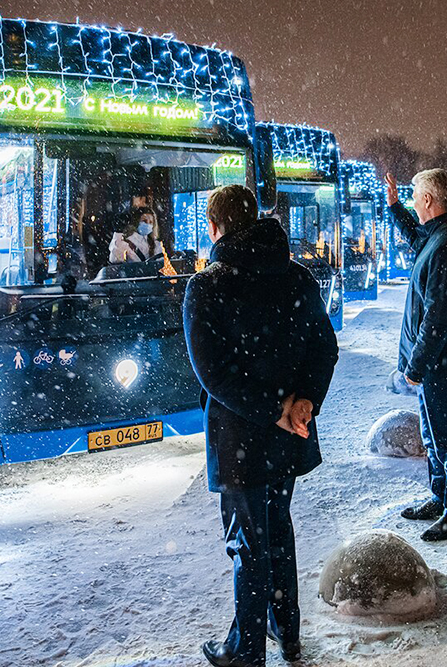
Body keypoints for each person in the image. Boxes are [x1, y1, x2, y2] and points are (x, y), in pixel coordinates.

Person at [183, 184, 339, 667]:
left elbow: (215, 374)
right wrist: (301, 404)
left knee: (247, 539)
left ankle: (245, 649)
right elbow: (324, 347)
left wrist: (275, 408)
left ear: (214, 227)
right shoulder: (296, 276)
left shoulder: (208, 285)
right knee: (276, 529)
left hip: (241, 435)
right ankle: (285, 631)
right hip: (287, 435)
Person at [384, 169, 447, 542]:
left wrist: (417, 366)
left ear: (427, 200)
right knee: (434, 433)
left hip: (442, 364)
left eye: (412, 196)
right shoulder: (442, 233)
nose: (411, 201)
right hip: (436, 364)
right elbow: (415, 238)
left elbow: (439, 315)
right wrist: (394, 207)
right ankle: (441, 497)